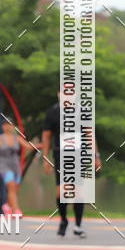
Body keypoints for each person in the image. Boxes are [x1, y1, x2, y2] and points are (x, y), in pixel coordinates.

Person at [41, 91, 102, 238]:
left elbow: (89, 134)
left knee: (78, 191)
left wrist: (95, 156)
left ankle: (78, 225)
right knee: (61, 192)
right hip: (60, 154)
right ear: (58, 94)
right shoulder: (52, 112)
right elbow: (46, 136)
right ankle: (63, 220)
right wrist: (45, 158)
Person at [0, 117, 34, 216]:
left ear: (13, 126)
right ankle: (16, 210)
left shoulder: (17, 138)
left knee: (15, 188)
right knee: (11, 186)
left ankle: (7, 206)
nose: (7, 127)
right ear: (3, 126)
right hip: (4, 165)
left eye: (9, 124)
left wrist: (41, 145)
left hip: (15, 165)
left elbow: (28, 146)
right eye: (5, 124)